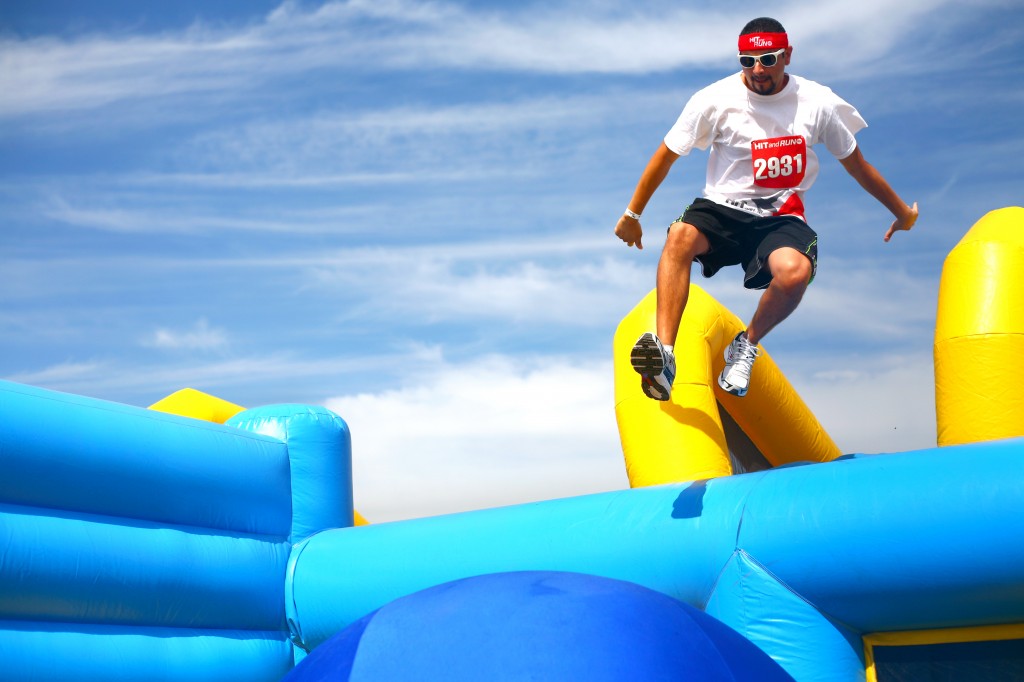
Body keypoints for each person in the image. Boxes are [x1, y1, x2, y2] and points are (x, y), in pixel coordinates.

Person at [614, 17, 918, 401]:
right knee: (680, 236)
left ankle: (746, 345)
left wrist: (901, 212)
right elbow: (665, 155)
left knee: (795, 273)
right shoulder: (714, 99)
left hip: (780, 215)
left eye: (768, 59)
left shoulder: (817, 103)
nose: (757, 71)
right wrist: (633, 214)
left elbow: (858, 165)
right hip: (722, 208)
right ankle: (666, 355)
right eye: (748, 61)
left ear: (787, 55)